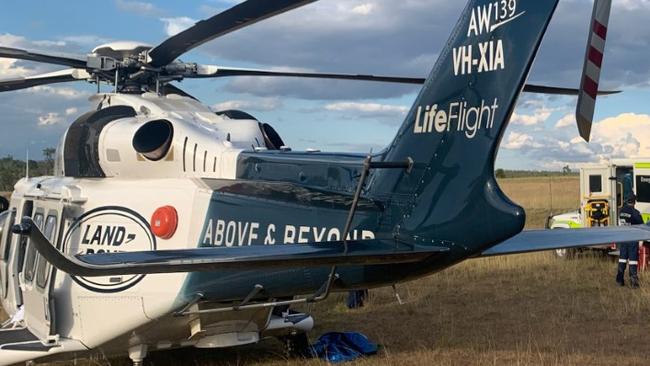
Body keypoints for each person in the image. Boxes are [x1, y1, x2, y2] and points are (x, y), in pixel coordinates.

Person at [617, 193, 643, 288]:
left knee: (622, 259)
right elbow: (641, 225)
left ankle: (619, 280)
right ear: (634, 201)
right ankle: (633, 282)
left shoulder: (621, 211)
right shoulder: (635, 212)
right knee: (633, 260)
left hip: (623, 238)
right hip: (632, 239)